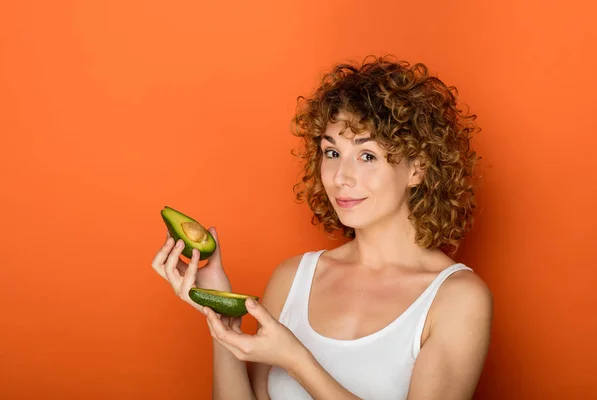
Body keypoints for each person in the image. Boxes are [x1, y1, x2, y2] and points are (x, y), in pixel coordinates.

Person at [151, 55, 493, 400]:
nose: (341, 177)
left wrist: (298, 362)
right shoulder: (292, 277)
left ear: (417, 169)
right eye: (331, 153)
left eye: (367, 156)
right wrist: (221, 316)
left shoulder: (457, 299)